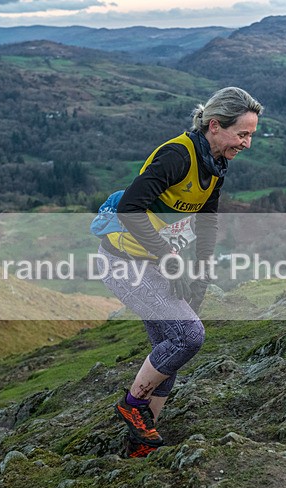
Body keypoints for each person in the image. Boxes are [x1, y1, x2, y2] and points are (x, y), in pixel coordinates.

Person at [96, 86, 263, 457]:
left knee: (168, 347)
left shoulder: (215, 165)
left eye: (251, 134)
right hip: (123, 262)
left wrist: (201, 273)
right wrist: (169, 259)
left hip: (154, 262)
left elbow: (207, 222)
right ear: (215, 126)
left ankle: (141, 443)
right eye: (243, 134)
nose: (247, 143)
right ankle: (132, 404)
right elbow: (130, 209)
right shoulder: (177, 156)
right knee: (189, 335)